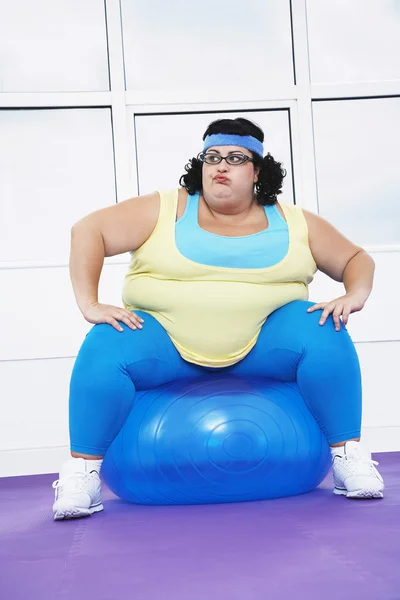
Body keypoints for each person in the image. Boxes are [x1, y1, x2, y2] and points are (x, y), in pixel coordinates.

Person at [52, 117, 384, 520]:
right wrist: (89, 304)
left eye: (234, 157)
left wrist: (355, 294)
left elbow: (355, 258)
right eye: (211, 157)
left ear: (257, 170)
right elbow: (88, 230)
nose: (219, 166)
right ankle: (83, 473)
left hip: (262, 346)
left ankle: (347, 456)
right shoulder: (164, 208)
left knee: (322, 326)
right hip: (165, 344)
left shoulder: (295, 221)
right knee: (106, 342)